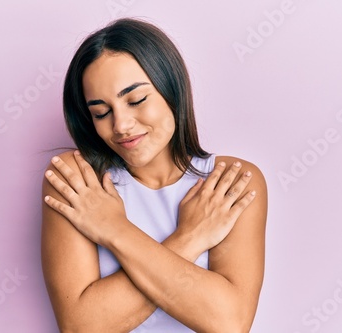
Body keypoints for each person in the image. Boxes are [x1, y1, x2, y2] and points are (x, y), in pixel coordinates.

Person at [41, 18, 267, 333]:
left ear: (171, 88)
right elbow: (81, 326)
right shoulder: (78, 180)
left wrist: (112, 228)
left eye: (136, 100)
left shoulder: (229, 181)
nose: (120, 125)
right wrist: (192, 238)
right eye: (101, 113)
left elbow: (228, 322)